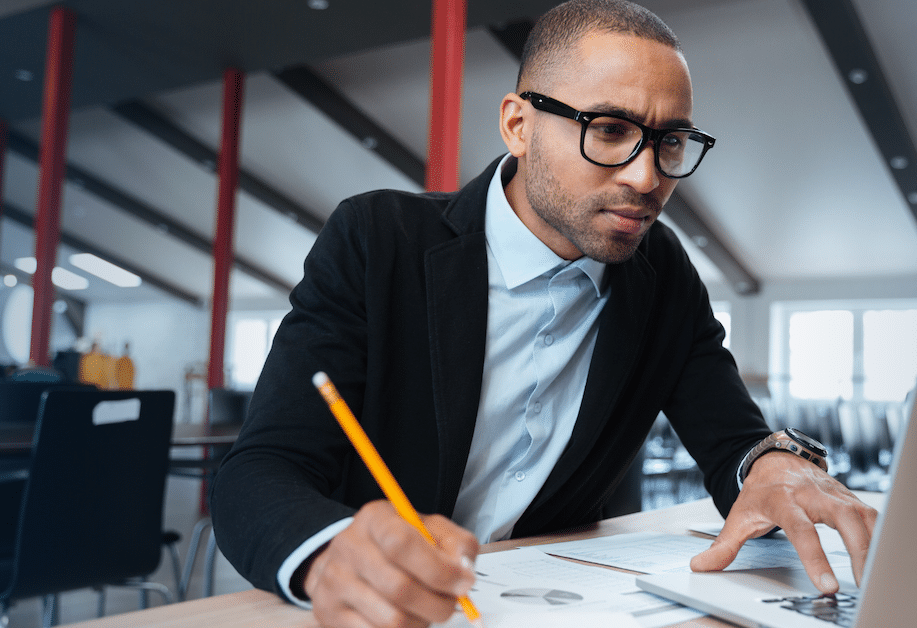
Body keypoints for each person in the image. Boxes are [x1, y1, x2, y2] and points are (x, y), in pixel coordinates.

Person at [211, 1, 877, 626]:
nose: (646, 178)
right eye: (610, 130)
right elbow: (258, 473)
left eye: (670, 141)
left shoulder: (662, 273)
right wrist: (330, 555)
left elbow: (735, 443)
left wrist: (773, 465)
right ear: (518, 125)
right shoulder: (377, 239)